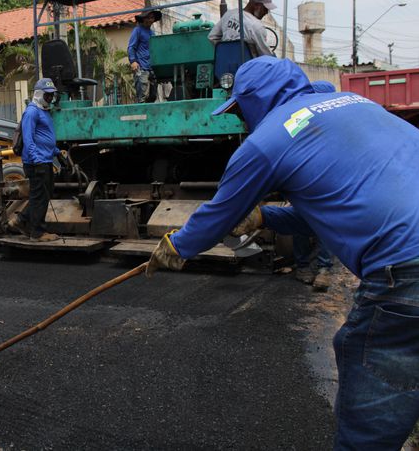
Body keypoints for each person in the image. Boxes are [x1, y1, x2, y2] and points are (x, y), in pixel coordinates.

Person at [146, 55, 419, 449]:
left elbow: (219, 214)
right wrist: (264, 217)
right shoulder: (354, 104)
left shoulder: (267, 141)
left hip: (406, 271)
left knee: (370, 414)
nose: (240, 121)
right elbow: (332, 211)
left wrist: (176, 246)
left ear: (254, 101)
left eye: (239, 111)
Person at [291, 81, 338, 291]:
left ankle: (322, 269)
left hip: (325, 179)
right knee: (307, 223)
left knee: (322, 225)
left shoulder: (336, 119)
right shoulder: (299, 119)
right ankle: (306, 267)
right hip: (306, 179)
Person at [8, 78, 64, 242]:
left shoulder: (44, 111)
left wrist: (56, 152)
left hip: (44, 159)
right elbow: (29, 139)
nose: (50, 99)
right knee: (39, 196)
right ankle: (37, 232)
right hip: (36, 162)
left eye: (51, 96)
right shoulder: (32, 112)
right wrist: (37, 160)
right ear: (39, 94)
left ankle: (22, 220)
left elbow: (44, 138)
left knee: (42, 195)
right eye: (47, 96)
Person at [207, 0, 276, 58]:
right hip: (248, 67)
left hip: (225, 64)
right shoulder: (257, 26)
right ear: (256, 5)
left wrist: (226, 51)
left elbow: (212, 37)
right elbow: (266, 55)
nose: (266, 12)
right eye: (265, 9)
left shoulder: (229, 14)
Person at [128, 10, 162, 103]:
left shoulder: (152, 33)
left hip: (151, 67)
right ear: (143, 19)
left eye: (152, 17)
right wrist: (133, 61)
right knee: (142, 95)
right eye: (148, 17)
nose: (150, 20)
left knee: (153, 95)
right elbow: (131, 47)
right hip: (141, 67)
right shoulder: (137, 30)